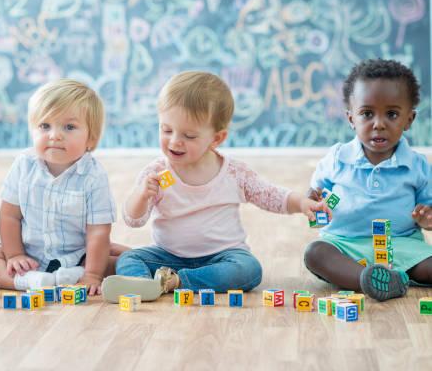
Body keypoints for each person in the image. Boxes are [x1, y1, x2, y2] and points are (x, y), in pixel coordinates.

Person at [101, 71, 331, 302]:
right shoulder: (157, 173)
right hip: (168, 255)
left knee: (249, 269)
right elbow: (133, 219)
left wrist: (302, 203)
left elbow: (269, 195)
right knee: (129, 259)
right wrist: (141, 195)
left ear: (216, 139)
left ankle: (178, 281)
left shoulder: (233, 173)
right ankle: (143, 285)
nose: (174, 141)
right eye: (166, 130)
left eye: (189, 136)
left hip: (223, 257)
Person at [0, 79, 127, 295]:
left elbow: (98, 231)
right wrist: (15, 255)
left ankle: (76, 274)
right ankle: (29, 281)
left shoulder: (93, 176)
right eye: (45, 126)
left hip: (78, 254)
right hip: (30, 254)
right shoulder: (24, 165)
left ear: (90, 138)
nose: (55, 135)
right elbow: (9, 216)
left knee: (126, 260)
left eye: (69, 127)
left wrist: (92, 274)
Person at [304, 59, 431, 301]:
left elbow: (429, 210)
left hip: (402, 245)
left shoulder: (418, 166)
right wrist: (313, 202)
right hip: (345, 245)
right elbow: (316, 194)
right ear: (351, 118)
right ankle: (367, 279)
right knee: (316, 253)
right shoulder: (337, 158)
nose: (379, 124)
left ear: (409, 120)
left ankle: (383, 278)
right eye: (367, 114)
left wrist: (427, 219)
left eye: (392, 114)